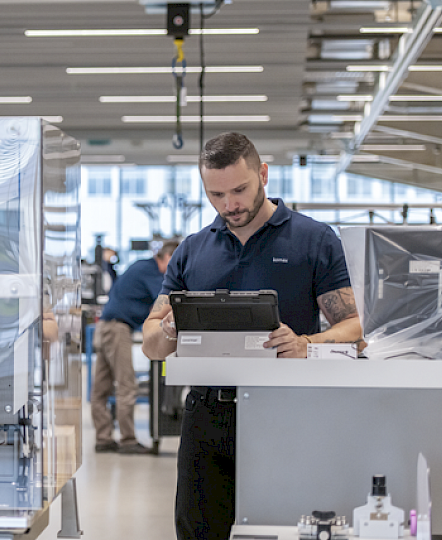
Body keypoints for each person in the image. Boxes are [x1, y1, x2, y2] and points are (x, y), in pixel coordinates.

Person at [141, 132, 364, 540]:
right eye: (216, 195)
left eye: (240, 190)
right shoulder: (192, 251)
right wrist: (170, 328)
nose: (230, 205)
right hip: (206, 417)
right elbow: (152, 344)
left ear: (263, 174)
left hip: (285, 412)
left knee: (283, 528)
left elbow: (355, 330)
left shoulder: (313, 240)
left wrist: (305, 344)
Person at [91, 240, 179, 454]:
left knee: (101, 388)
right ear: (167, 257)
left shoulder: (141, 266)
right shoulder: (151, 272)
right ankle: (128, 440)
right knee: (126, 385)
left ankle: (103, 438)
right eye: (176, 262)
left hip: (104, 326)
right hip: (117, 329)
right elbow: (164, 301)